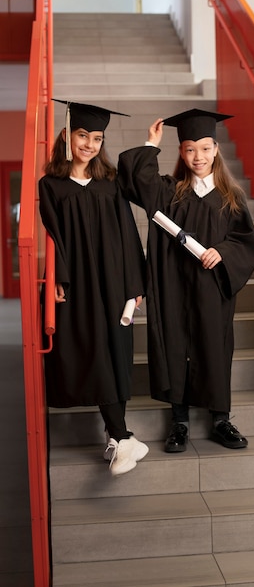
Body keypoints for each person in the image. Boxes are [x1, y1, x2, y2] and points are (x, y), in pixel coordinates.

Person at [117, 108, 254, 453]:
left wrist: (222, 251)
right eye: (191, 148)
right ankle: (178, 422)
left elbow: (244, 241)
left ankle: (220, 419)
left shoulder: (231, 197)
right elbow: (136, 179)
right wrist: (151, 145)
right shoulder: (169, 192)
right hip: (172, 287)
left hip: (212, 286)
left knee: (214, 344)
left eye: (206, 148)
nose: (199, 156)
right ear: (181, 152)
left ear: (216, 149)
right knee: (175, 344)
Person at [38, 100, 149, 475]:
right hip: (77, 283)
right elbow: (53, 236)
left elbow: (129, 233)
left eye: (97, 138)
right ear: (68, 136)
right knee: (92, 352)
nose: (89, 144)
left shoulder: (111, 182)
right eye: (83, 135)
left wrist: (135, 283)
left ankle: (120, 438)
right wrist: (58, 278)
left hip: (113, 280)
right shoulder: (50, 185)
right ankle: (122, 436)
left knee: (113, 353)